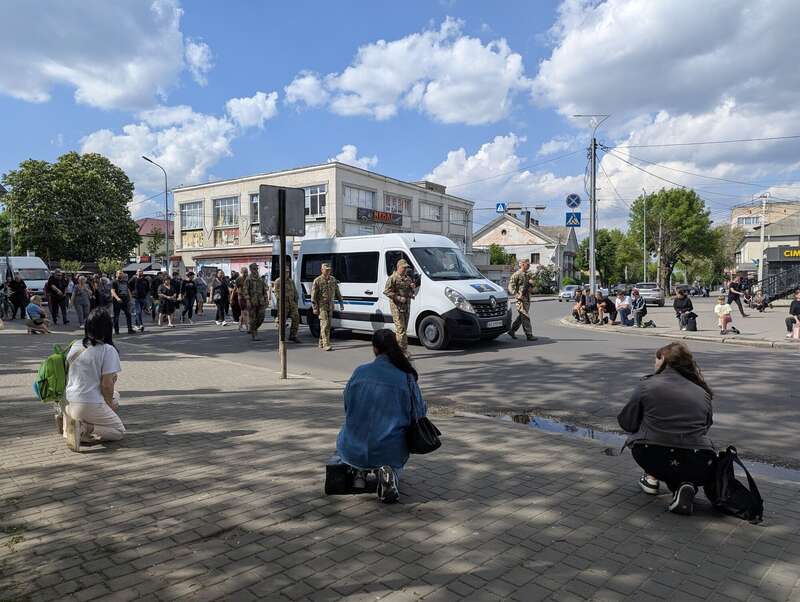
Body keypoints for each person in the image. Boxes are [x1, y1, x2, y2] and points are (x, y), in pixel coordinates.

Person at [618, 342, 716, 516]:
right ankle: (684, 485)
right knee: (678, 448)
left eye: (655, 360)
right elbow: (705, 427)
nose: (654, 364)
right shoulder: (703, 392)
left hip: (651, 453)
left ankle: (652, 478)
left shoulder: (647, 385)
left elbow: (627, 422)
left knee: (650, 432)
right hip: (697, 458)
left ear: (663, 359)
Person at [336, 329, 428, 504]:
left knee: (353, 437)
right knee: (392, 451)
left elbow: (347, 407)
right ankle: (390, 473)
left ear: (375, 349)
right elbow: (418, 413)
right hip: (389, 449)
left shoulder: (359, 372)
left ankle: (359, 474)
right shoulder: (406, 376)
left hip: (352, 447)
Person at [62, 309, 125, 452]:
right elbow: (106, 385)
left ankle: (71, 420)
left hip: (71, 400)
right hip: (89, 402)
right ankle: (85, 428)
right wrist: (109, 406)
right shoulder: (107, 350)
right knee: (118, 431)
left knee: (117, 395)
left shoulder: (75, 345)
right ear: (107, 328)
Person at [383, 259, 417, 353]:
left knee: (403, 330)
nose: (405, 270)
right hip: (396, 307)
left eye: (406, 268)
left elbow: (410, 291)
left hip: (406, 306)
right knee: (400, 329)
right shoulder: (393, 278)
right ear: (399, 267)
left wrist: (412, 291)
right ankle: (401, 352)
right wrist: (398, 297)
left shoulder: (408, 278)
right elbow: (386, 291)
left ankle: (401, 349)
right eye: (403, 268)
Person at [311, 262, 343, 351]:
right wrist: (315, 308)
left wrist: (341, 302)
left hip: (330, 306)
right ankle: (326, 344)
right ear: (322, 270)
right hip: (322, 306)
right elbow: (313, 296)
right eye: (326, 270)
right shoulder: (317, 280)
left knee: (327, 325)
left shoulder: (333, 279)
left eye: (329, 270)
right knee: (324, 324)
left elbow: (337, 292)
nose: (328, 272)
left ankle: (321, 342)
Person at [507, 258, 536, 341]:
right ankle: (529, 334)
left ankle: (512, 331)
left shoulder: (528, 274)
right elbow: (510, 286)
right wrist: (516, 295)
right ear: (522, 264)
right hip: (520, 299)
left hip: (527, 299)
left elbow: (531, 287)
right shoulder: (517, 274)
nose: (529, 265)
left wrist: (532, 286)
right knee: (525, 316)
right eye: (527, 264)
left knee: (521, 317)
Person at [273, 268, 300, 342]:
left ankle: (293, 335)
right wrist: (281, 302)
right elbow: (276, 293)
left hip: (292, 303)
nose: (287, 273)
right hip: (283, 304)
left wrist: (296, 301)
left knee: (296, 318)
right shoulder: (278, 281)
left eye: (288, 272)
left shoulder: (291, 281)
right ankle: (282, 337)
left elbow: (295, 291)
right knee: (282, 321)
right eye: (285, 272)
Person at [242, 263, 268, 340]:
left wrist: (266, 299)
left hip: (261, 301)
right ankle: (254, 334)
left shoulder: (260, 279)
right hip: (252, 302)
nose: (255, 270)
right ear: (251, 269)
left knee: (261, 317)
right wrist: (247, 300)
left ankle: (252, 328)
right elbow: (245, 290)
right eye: (254, 269)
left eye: (256, 269)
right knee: (253, 318)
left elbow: (264, 290)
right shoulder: (248, 279)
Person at [111, 271, 135, 335]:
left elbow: (128, 290)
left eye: (122, 273)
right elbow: (112, 291)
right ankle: (116, 330)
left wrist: (130, 299)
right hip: (117, 301)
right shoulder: (114, 282)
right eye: (119, 273)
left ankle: (130, 329)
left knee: (128, 314)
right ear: (116, 274)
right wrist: (117, 298)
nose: (121, 274)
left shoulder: (125, 282)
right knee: (116, 316)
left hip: (125, 300)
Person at [237, 266, 250, 332]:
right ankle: (248, 327)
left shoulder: (248, 279)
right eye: (244, 272)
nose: (246, 273)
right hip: (241, 297)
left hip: (247, 297)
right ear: (241, 272)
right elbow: (236, 289)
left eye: (247, 272)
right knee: (245, 312)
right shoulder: (239, 279)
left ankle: (240, 326)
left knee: (243, 312)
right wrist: (231, 298)